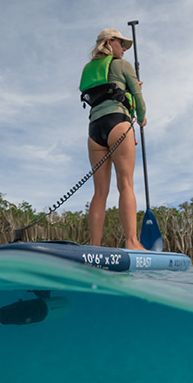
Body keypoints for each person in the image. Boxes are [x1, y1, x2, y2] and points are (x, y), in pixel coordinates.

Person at [80, 28, 147, 248]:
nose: (124, 49)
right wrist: (142, 118)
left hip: (94, 130)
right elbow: (138, 100)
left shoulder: (89, 69)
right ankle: (132, 241)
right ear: (109, 42)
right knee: (125, 184)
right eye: (121, 44)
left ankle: (95, 246)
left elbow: (107, 89)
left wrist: (127, 87)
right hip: (118, 123)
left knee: (100, 192)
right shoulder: (122, 65)